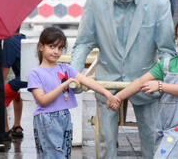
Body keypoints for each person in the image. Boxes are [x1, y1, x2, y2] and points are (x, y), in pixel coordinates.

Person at [71, 0, 175, 159]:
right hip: (107, 81)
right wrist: (74, 74)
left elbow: (166, 50)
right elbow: (83, 43)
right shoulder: (95, 0)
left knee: (151, 136)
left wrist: (166, 80)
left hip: (145, 80)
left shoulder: (159, 3)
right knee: (105, 139)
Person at [113, 17, 178, 158]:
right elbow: (140, 81)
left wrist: (160, 86)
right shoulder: (167, 64)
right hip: (161, 125)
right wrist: (118, 97)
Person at [28, 27, 119, 159]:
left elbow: (86, 80)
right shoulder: (35, 73)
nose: (56, 51)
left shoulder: (66, 68)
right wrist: (64, 85)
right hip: (46, 119)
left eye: (60, 48)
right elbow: (42, 100)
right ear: (41, 46)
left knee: (64, 155)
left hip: (65, 116)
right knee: (54, 155)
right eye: (52, 46)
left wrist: (108, 94)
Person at [2, 29, 27, 140]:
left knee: (0, 96)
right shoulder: (23, 37)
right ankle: (17, 126)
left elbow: (6, 66)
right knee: (16, 96)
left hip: (21, 81)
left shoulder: (9, 40)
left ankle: (5, 130)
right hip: (26, 79)